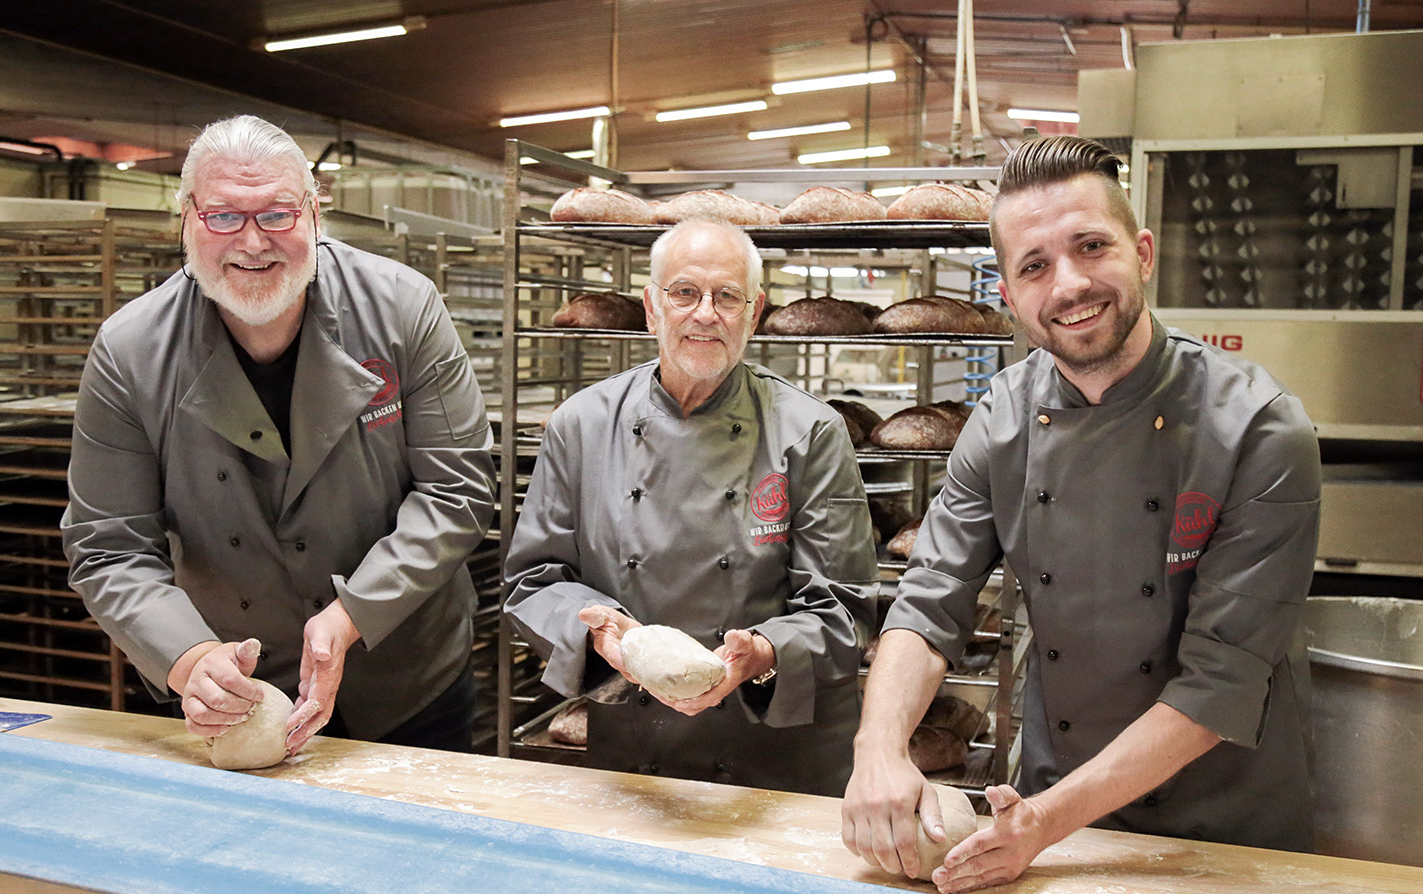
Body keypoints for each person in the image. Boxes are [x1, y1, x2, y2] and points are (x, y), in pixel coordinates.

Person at [841, 135, 1321, 893]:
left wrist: (1044, 822)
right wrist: (878, 749)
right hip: (1052, 818)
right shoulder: (999, 420)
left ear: (1142, 252)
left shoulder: (1258, 427)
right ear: (1009, 292)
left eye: (1090, 246)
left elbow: (1219, 681)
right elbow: (930, 600)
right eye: (1034, 264)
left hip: (1225, 835)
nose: (1068, 284)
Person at [62, 115, 495, 755]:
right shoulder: (130, 352)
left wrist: (352, 616)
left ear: (314, 214)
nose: (253, 241)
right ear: (186, 219)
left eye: (277, 214)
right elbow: (109, 545)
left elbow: (457, 490)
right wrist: (188, 657)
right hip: (239, 687)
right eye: (224, 216)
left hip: (407, 673)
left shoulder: (404, 308)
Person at [503, 219, 877, 795]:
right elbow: (534, 582)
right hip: (634, 746)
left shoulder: (811, 432)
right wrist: (603, 637)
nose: (705, 313)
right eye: (684, 293)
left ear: (753, 316)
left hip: (773, 757)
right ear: (652, 308)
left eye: (727, 296)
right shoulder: (582, 424)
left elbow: (844, 608)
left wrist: (763, 652)